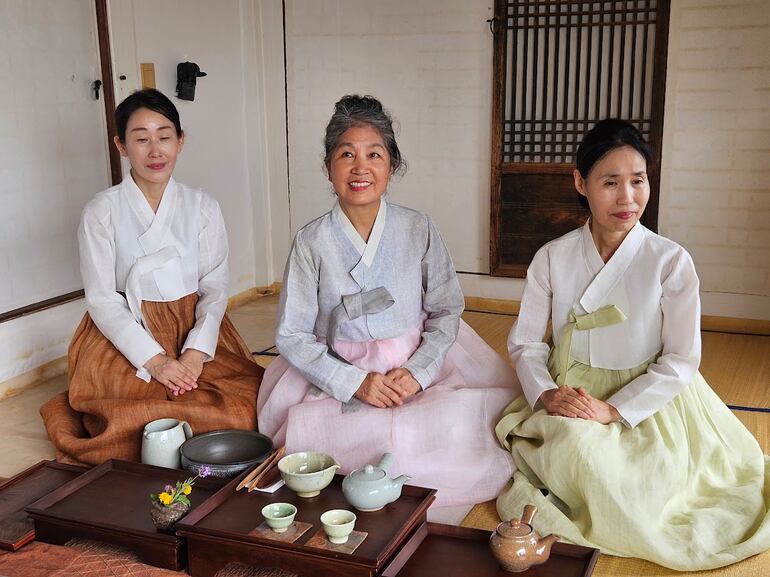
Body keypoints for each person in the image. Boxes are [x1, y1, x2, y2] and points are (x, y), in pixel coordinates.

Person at [495, 118, 770, 570]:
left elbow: (682, 359)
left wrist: (615, 410)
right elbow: (526, 342)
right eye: (610, 182)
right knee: (578, 450)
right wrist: (547, 393)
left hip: (649, 397)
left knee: (645, 485)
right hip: (572, 391)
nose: (628, 198)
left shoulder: (670, 260)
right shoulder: (553, 256)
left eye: (638, 181)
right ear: (581, 183)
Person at [257, 95, 519, 508]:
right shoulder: (311, 241)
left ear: (391, 167)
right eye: (346, 154)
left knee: (461, 428)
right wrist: (355, 383)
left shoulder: (419, 228)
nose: (360, 168)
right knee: (322, 448)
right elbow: (291, 334)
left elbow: (446, 308)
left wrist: (418, 372)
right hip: (336, 368)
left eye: (374, 154)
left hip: (413, 360)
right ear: (328, 168)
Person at [41, 89, 263, 466]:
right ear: (121, 145)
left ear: (181, 141)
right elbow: (100, 298)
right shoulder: (101, 211)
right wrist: (156, 362)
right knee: (134, 421)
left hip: (193, 328)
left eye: (164, 136)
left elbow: (214, 285)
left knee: (242, 411)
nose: (155, 150)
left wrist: (194, 355)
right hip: (125, 335)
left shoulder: (202, 206)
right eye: (141, 139)